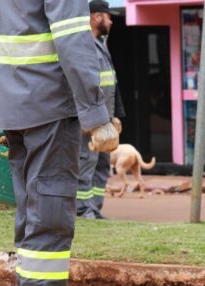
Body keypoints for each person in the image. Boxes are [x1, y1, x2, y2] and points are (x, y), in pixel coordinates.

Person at [0, 0, 119, 286]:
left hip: (16, 108)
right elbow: (72, 39)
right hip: (49, 109)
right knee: (49, 223)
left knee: (32, 223)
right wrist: (96, 116)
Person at [77, 0, 126, 220]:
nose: (111, 20)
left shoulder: (101, 43)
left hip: (105, 118)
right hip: (91, 120)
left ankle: (95, 207)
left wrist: (113, 116)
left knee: (102, 164)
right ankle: (82, 209)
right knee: (86, 162)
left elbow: (109, 85)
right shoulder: (83, 44)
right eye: (108, 16)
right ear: (97, 17)